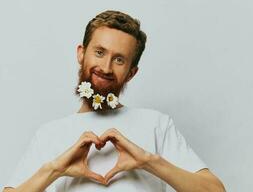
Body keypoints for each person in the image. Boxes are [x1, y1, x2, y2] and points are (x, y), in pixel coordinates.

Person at [3, 10, 225, 192]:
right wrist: (55, 169)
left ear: (131, 72)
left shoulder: (157, 124)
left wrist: (148, 161)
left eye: (119, 59)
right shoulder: (49, 134)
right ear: (81, 53)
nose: (106, 68)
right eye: (99, 52)